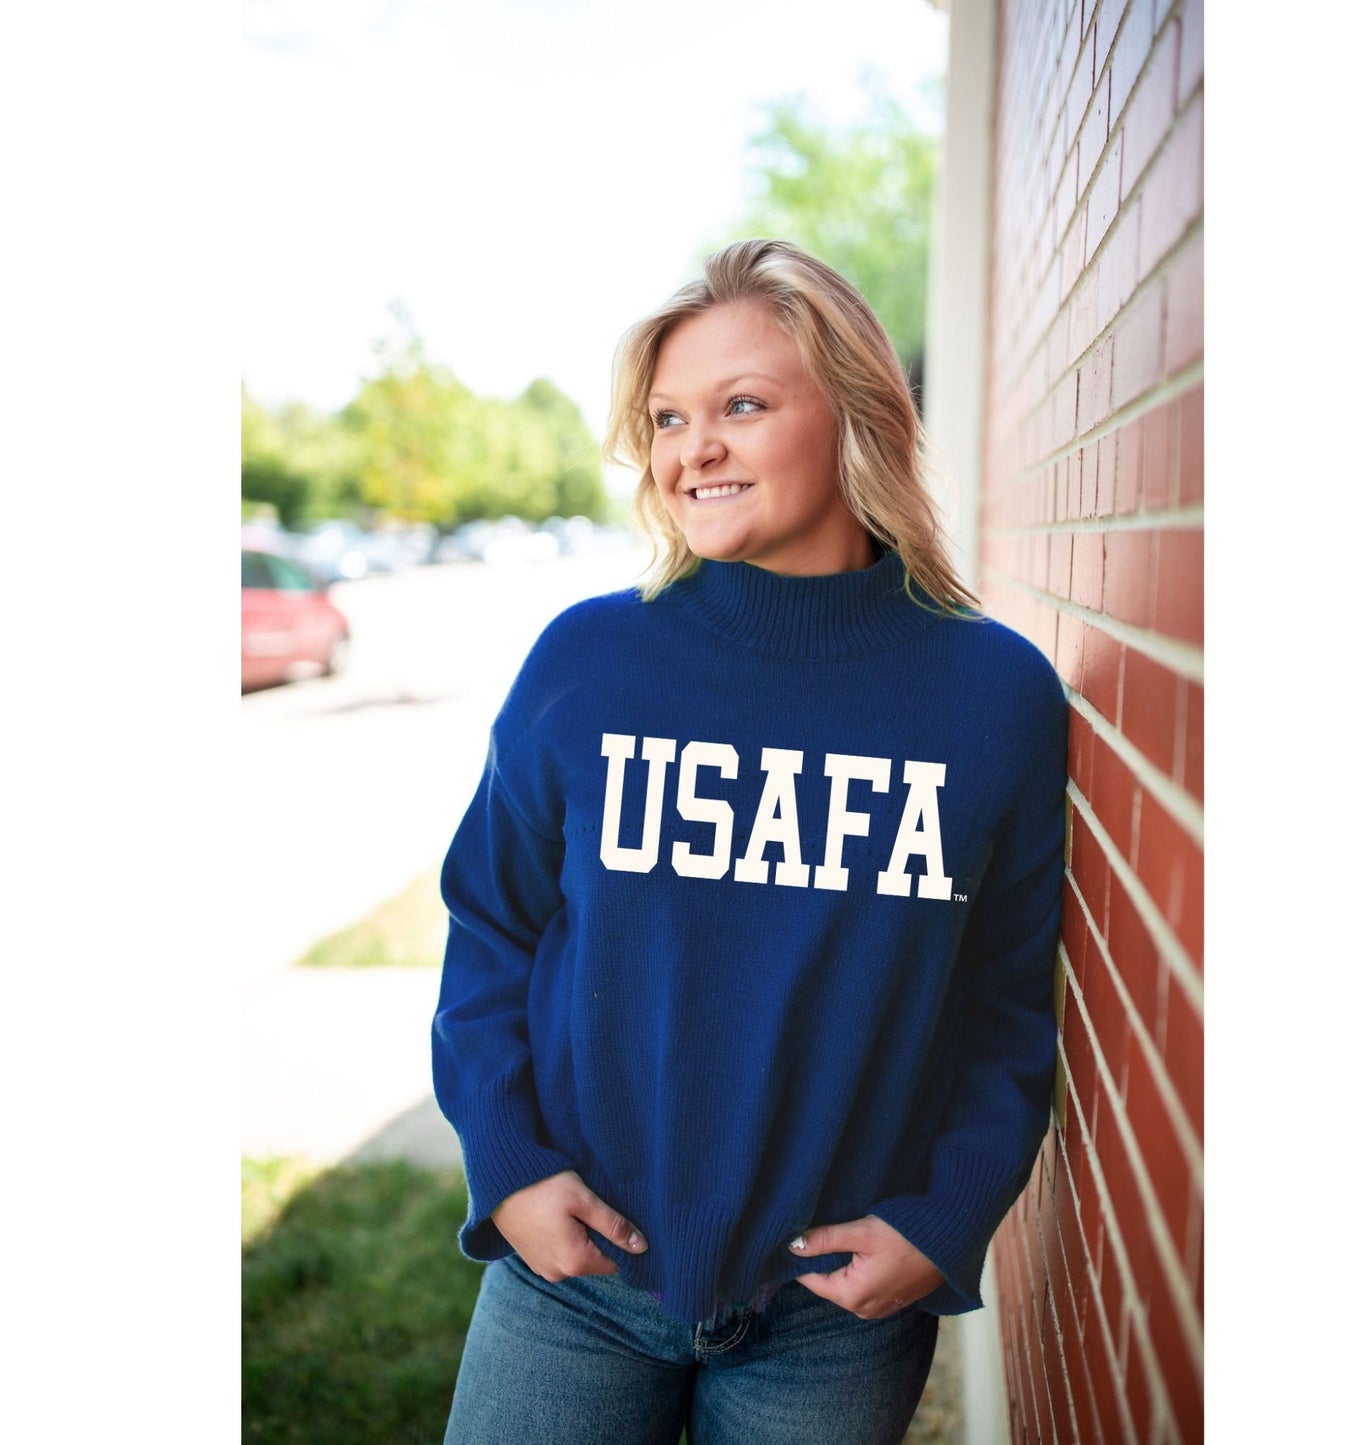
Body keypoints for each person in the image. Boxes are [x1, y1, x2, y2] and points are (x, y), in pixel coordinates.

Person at [432, 237, 1068, 1445]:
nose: (692, 449)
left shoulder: (991, 695)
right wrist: (506, 1161)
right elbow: (491, 928)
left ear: (856, 418)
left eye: (741, 405)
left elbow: (1004, 1001)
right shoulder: (588, 661)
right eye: (667, 417)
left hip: (832, 1315)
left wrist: (944, 1218)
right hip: (579, 1287)